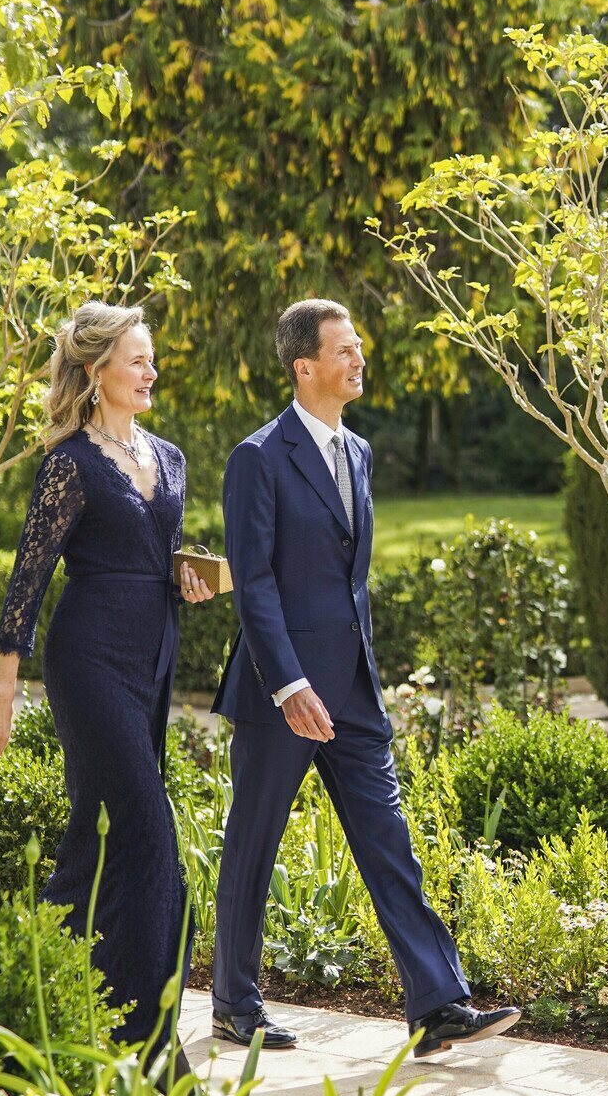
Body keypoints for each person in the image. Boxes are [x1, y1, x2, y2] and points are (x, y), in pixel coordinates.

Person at [210, 298, 521, 1057]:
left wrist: (352, 677)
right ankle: (234, 1004)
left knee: (389, 842)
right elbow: (254, 584)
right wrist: (287, 685)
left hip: (351, 688)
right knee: (254, 844)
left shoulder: (360, 453)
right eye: (343, 351)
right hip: (279, 694)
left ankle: (439, 1004)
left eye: (359, 348)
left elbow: (350, 582)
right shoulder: (258, 457)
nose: (358, 360)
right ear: (304, 366)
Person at [0, 300, 213, 1064]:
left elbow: (157, 557)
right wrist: (3, 691)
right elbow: (27, 581)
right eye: (136, 359)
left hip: (152, 662)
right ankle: (148, 1041)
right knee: (148, 836)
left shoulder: (169, 457)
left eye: (150, 357)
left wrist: (190, 580)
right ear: (95, 370)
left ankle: (29, 992)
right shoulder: (70, 463)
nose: (151, 370)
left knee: (92, 843)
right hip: (88, 663)